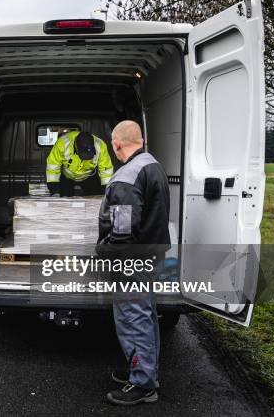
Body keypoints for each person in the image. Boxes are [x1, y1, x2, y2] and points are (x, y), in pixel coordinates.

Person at [96, 120, 170, 406]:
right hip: (150, 256)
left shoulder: (127, 175)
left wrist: (107, 255)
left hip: (131, 262)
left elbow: (123, 229)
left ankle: (143, 385)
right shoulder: (153, 165)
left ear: (116, 144)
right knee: (146, 316)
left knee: (133, 319)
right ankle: (144, 371)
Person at [46, 127, 114, 196]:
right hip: (66, 177)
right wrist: (54, 190)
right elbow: (53, 168)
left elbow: (106, 170)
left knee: (97, 197)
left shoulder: (100, 146)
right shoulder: (62, 144)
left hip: (88, 176)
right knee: (64, 199)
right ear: (76, 148)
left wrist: (107, 190)